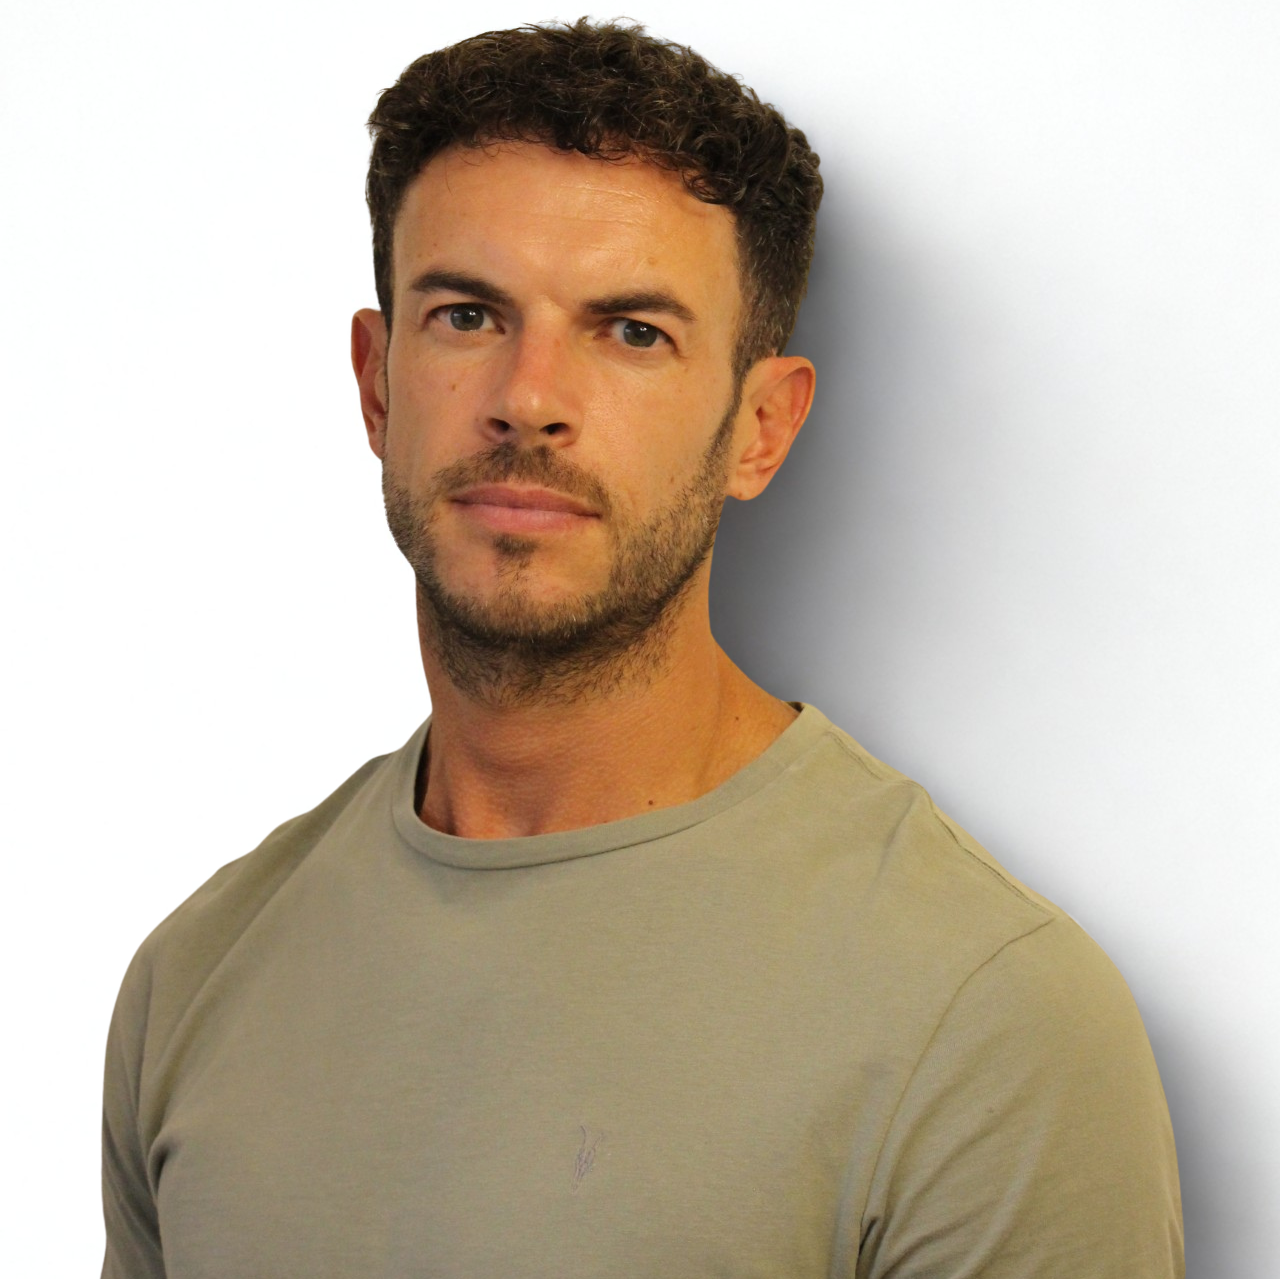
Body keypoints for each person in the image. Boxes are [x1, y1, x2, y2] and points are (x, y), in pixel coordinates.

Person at [100, 19, 1184, 1278]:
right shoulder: (196, 978)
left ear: (759, 429)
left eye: (631, 332)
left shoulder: (988, 1019)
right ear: (377, 383)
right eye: (466, 314)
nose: (527, 397)